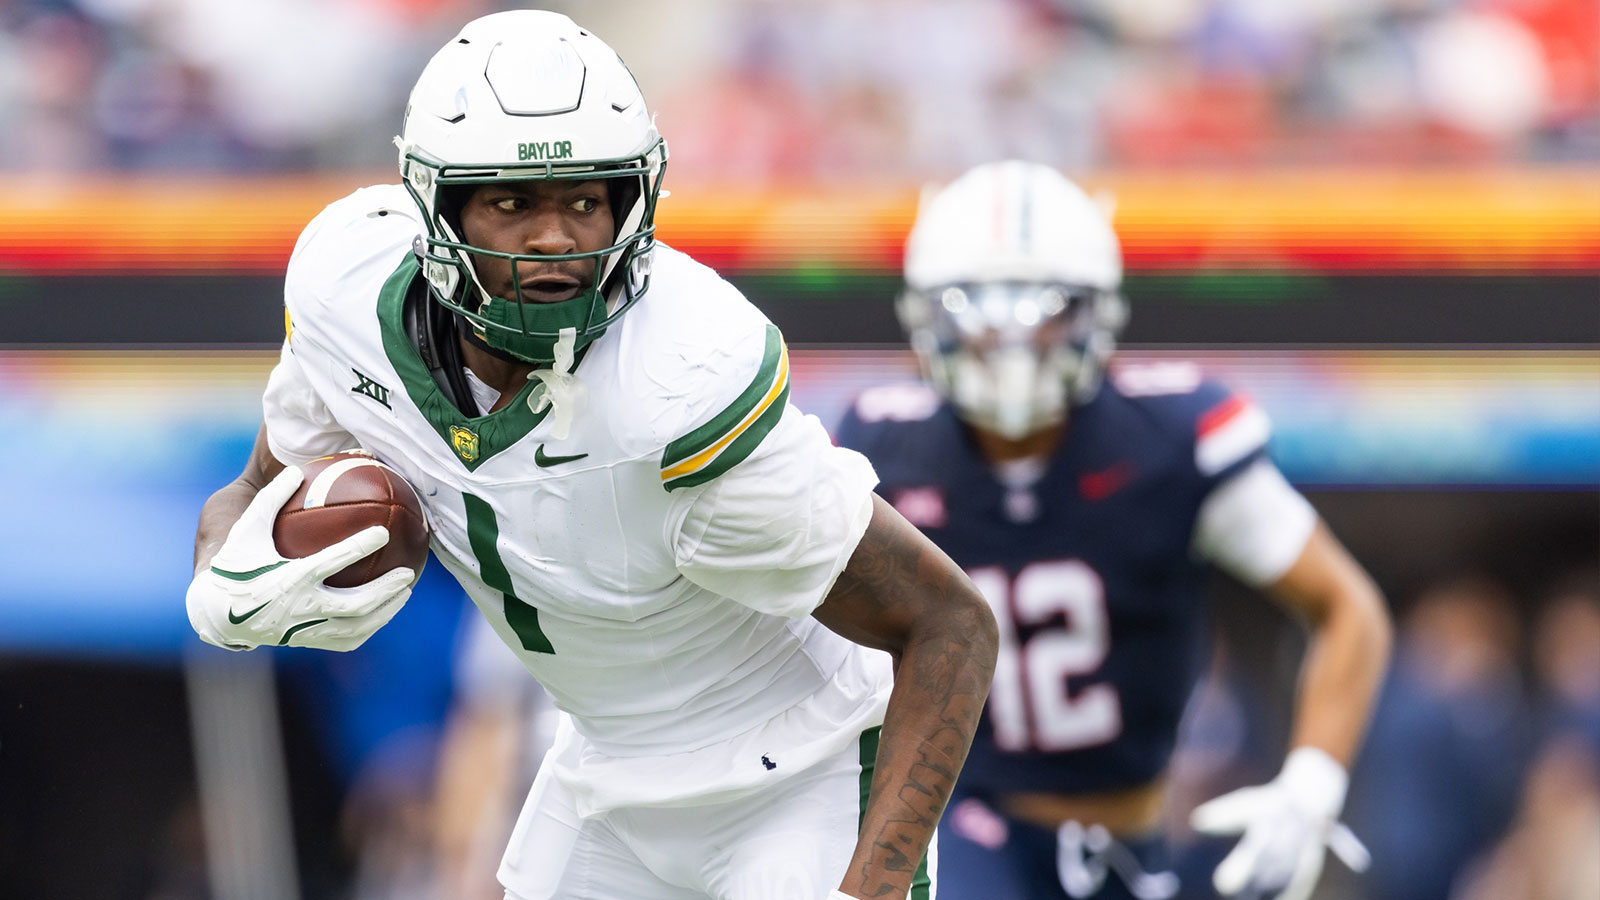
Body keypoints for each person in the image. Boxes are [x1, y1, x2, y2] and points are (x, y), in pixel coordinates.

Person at [182, 11, 997, 900]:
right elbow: (258, 486)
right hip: (603, 774)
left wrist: (870, 888)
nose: (556, 238)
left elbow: (950, 623)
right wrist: (222, 583)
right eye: (511, 201)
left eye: (584, 199)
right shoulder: (348, 295)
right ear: (435, 208)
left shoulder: (681, 379)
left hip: (799, 779)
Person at [834, 160, 1392, 900]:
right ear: (926, 318)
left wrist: (1313, 782)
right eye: (976, 313)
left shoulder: (1174, 440)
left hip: (1131, 837)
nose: (1009, 346)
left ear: (1096, 314)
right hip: (957, 824)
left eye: (1042, 313)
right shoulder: (886, 445)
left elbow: (1345, 607)